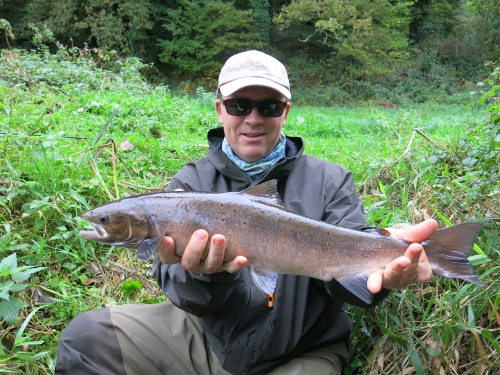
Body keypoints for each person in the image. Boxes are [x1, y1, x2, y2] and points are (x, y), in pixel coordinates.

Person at [56, 50, 436, 375]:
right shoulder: (188, 184)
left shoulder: (329, 180)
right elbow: (183, 296)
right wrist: (207, 277)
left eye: (268, 106)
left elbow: (358, 284)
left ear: (285, 112)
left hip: (304, 348)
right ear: (221, 110)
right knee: (84, 338)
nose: (253, 118)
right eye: (239, 106)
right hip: (209, 338)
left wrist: (387, 268)